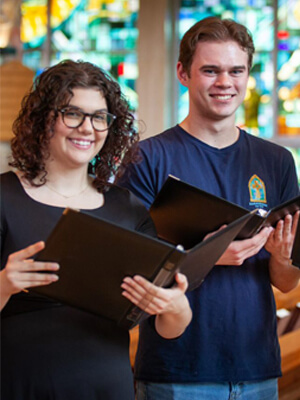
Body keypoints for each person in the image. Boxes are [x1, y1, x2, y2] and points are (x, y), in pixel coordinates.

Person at [118, 17, 300, 400]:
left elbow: (285, 282)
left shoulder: (277, 161)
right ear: (183, 73)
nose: (225, 82)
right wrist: (210, 255)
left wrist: (282, 258)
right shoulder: (147, 158)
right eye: (210, 70)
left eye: (236, 71)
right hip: (176, 371)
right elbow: (128, 269)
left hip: (257, 370)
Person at [0, 59, 192, 400]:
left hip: (105, 385)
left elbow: (168, 327)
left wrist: (175, 306)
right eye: (72, 113)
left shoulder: (127, 208)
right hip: (19, 383)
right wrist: (3, 284)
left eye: (99, 117)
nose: (87, 128)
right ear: (44, 118)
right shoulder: (4, 198)